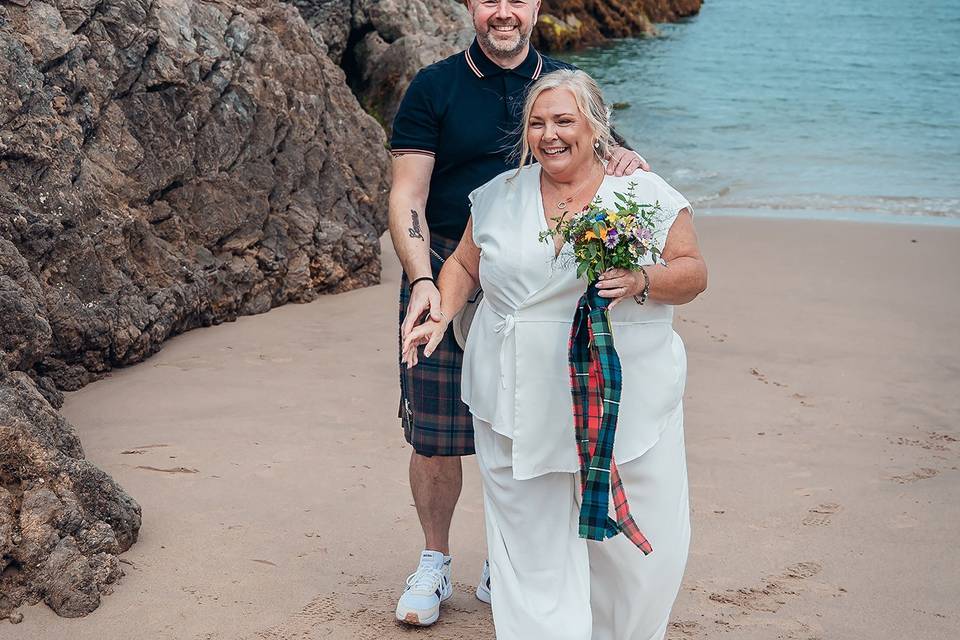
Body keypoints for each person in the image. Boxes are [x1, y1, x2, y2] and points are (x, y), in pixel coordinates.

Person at [402, 69, 707, 639]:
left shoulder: (643, 193)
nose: (550, 135)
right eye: (537, 124)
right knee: (530, 552)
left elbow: (692, 273)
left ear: (596, 128)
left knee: (641, 557)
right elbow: (465, 264)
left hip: (622, 400)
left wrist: (643, 279)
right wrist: (441, 311)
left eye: (564, 121)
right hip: (515, 397)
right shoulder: (498, 196)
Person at [388, 0, 649, 627]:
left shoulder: (563, 85)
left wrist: (630, 161)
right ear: (470, 8)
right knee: (436, 432)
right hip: (450, 262)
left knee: (536, 429)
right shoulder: (436, 86)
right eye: (487, 0)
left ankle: (507, 560)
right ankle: (435, 558)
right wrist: (424, 277)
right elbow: (407, 194)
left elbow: (611, 161)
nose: (502, 12)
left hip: (546, 281)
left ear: (535, 6)